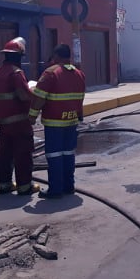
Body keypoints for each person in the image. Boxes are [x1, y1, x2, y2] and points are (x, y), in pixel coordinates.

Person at [29, 44, 86, 199]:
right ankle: (69, 186)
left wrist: (32, 117)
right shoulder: (79, 73)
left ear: (56, 56)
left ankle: (55, 190)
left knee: (54, 155)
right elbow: (80, 97)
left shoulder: (50, 73)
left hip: (54, 122)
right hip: (71, 121)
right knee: (68, 154)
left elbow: (39, 97)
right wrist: (79, 114)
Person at [0, 37, 40, 196]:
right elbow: (24, 96)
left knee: (4, 153)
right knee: (23, 153)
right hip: (19, 121)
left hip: (3, 121)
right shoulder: (16, 73)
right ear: (18, 57)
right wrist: (34, 91)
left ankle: (4, 184)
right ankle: (25, 186)